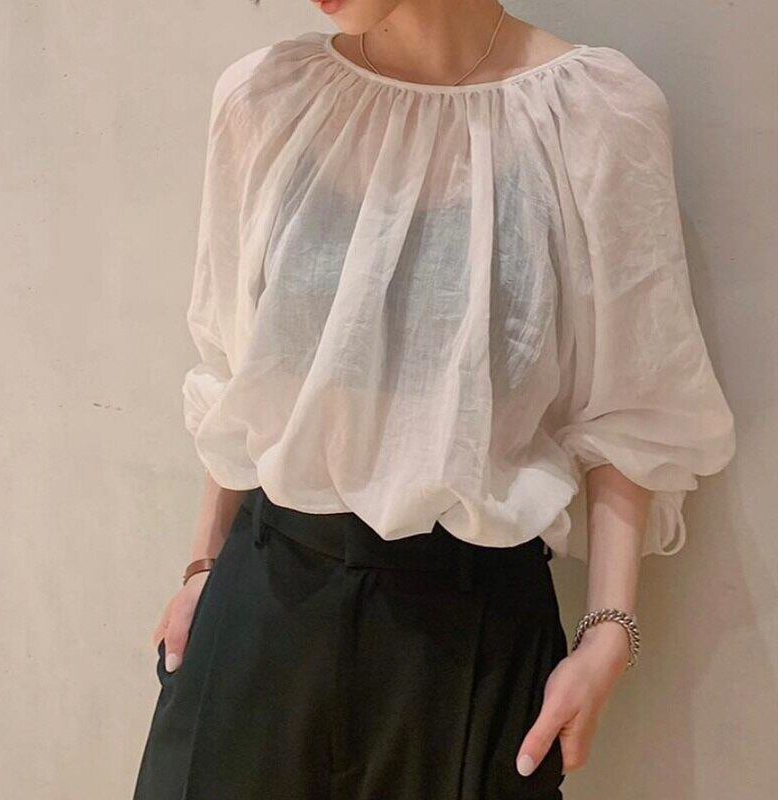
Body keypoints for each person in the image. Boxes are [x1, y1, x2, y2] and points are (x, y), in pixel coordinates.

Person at [132, 2, 736, 798]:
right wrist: (202, 566)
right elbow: (240, 368)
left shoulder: (595, 114)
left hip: (472, 637)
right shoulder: (267, 98)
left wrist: (607, 636)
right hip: (262, 608)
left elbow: (630, 403)